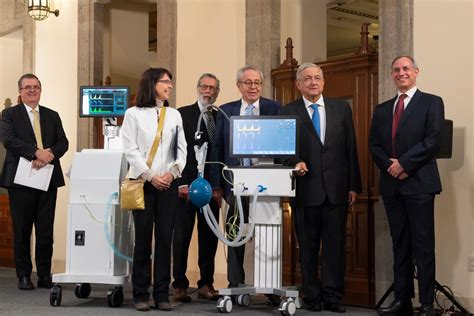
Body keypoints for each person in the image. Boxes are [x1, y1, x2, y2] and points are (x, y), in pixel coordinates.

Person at [280, 63, 362, 313]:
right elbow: (284, 151)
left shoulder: (341, 108)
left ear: (323, 82)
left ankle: (333, 297)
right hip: (305, 191)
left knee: (335, 247)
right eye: (307, 79)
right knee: (308, 247)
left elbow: (351, 148)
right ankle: (312, 297)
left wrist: (353, 186)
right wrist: (295, 162)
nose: (313, 82)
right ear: (298, 84)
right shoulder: (289, 111)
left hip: (337, 191)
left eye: (317, 78)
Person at [369, 56, 444, 316]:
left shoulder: (432, 102)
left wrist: (404, 164)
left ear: (416, 72)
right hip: (392, 186)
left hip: (420, 183)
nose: (401, 73)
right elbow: (374, 145)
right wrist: (391, 166)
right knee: (399, 244)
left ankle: (426, 303)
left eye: (405, 69)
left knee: (423, 244)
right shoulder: (381, 109)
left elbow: (433, 139)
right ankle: (402, 300)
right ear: (392, 75)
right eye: (396, 70)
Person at [210, 65, 280, 301]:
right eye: (248, 83)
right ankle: (235, 282)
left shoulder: (273, 108)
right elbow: (217, 147)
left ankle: (269, 286)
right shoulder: (226, 111)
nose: (253, 87)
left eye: (257, 82)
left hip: (267, 184)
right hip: (235, 185)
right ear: (239, 85)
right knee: (235, 234)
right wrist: (217, 184)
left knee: (266, 234)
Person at [121, 67, 187, 312]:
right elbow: (131, 150)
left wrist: (171, 173)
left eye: (170, 81)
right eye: (165, 81)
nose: (170, 85)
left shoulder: (174, 115)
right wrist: (150, 176)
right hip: (143, 184)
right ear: (152, 83)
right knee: (143, 241)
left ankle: (162, 294)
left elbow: (182, 151)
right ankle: (140, 294)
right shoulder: (133, 114)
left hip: (168, 185)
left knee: (165, 240)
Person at [0, 74, 69, 290]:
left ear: (41, 90)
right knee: (22, 230)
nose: (32, 91)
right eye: (27, 87)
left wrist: (49, 154)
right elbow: (9, 140)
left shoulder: (52, 115)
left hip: (47, 178)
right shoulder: (9, 114)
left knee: (45, 230)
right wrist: (35, 153)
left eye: (36, 87)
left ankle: (44, 275)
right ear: (19, 91)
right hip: (21, 180)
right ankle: (23, 275)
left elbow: (63, 142)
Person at [172, 73, 221, 302]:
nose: (208, 91)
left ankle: (206, 284)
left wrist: (219, 187)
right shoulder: (182, 114)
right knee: (181, 236)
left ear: (217, 91)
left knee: (209, 237)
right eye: (204, 86)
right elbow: (174, 149)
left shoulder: (221, 117)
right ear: (198, 88)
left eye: (212, 88)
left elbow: (223, 151)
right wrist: (181, 182)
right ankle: (180, 285)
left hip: (211, 188)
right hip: (186, 187)